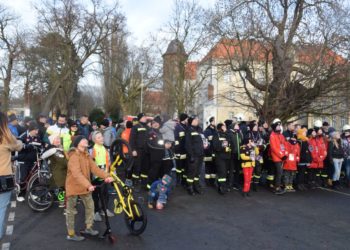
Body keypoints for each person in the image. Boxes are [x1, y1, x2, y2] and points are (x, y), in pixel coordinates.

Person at [65, 136, 113, 241]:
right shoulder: (74, 156)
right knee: (71, 211)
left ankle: (88, 228)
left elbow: (95, 169)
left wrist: (107, 176)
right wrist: (88, 185)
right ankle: (71, 234)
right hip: (73, 187)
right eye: (83, 140)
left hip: (85, 186)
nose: (86, 140)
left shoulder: (86, 155)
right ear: (78, 143)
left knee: (90, 206)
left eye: (86, 139)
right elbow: (76, 174)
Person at [0, 112, 22, 240]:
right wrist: (20, 142)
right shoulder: (6, 137)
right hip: (3, 178)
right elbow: (18, 146)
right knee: (1, 210)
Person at [90, 131, 114, 222]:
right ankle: (96, 212)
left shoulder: (104, 148)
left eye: (102, 137)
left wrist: (109, 171)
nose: (102, 138)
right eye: (99, 137)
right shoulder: (93, 149)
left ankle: (104, 209)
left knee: (105, 193)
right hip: (96, 176)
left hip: (105, 175)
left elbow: (107, 161)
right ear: (94, 140)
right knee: (96, 195)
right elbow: (91, 163)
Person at [17, 121, 41, 201]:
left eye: (37, 130)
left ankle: (33, 193)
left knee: (34, 179)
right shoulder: (23, 136)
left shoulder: (37, 137)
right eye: (35, 130)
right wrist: (27, 146)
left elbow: (41, 145)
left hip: (33, 161)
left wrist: (39, 148)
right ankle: (21, 194)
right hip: (23, 161)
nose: (37, 132)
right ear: (31, 130)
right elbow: (18, 147)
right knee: (23, 178)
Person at [146, 116, 173, 190]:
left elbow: (168, 140)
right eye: (153, 123)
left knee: (162, 173)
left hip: (163, 157)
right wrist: (164, 145)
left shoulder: (161, 132)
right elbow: (151, 144)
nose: (155, 124)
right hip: (155, 156)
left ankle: (160, 188)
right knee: (153, 173)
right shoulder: (150, 132)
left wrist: (169, 143)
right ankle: (150, 187)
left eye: (157, 123)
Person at [41, 135, 67, 207]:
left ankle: (62, 200)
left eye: (59, 139)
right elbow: (62, 161)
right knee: (62, 187)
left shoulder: (56, 148)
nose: (58, 140)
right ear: (52, 141)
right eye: (56, 139)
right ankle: (61, 201)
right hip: (55, 171)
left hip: (57, 169)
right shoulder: (54, 150)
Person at [185, 116, 205, 195]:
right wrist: (191, 155)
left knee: (198, 172)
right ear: (191, 121)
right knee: (191, 172)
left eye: (197, 119)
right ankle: (189, 187)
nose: (197, 120)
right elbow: (188, 144)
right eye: (195, 120)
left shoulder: (199, 130)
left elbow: (203, 140)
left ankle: (196, 186)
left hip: (200, 154)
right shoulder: (189, 130)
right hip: (194, 155)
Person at [269, 118, 288, 195]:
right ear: (274, 127)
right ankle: (276, 188)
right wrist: (282, 155)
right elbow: (274, 148)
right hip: (277, 157)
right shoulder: (272, 136)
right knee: (279, 172)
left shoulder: (281, 135)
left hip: (282, 156)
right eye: (277, 126)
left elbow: (285, 145)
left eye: (280, 126)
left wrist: (285, 154)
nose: (279, 127)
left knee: (280, 172)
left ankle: (278, 186)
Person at [212, 123, 231, 194]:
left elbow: (230, 141)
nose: (225, 127)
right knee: (222, 172)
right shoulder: (216, 134)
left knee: (225, 172)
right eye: (224, 126)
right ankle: (221, 187)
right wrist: (222, 147)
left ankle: (222, 185)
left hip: (227, 156)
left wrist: (226, 132)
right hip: (220, 156)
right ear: (220, 127)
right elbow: (215, 145)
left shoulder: (226, 134)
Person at [308, 123, 327, 189]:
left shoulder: (319, 140)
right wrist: (317, 158)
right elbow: (312, 150)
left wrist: (322, 157)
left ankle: (314, 182)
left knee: (315, 172)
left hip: (318, 159)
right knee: (311, 172)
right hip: (313, 160)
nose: (314, 134)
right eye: (313, 133)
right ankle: (310, 183)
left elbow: (322, 149)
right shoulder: (310, 140)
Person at [174, 113, 188, 186]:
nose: (187, 120)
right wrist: (177, 150)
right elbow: (176, 139)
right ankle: (178, 180)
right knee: (179, 166)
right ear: (184, 119)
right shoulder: (178, 127)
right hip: (179, 150)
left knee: (184, 166)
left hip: (185, 150)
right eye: (186, 119)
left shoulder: (187, 127)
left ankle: (183, 180)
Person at [203, 117, 217, 186]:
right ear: (211, 122)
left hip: (214, 151)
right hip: (208, 151)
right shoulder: (207, 131)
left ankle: (212, 181)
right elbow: (205, 142)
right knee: (208, 167)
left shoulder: (215, 130)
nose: (215, 122)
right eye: (214, 121)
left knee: (214, 167)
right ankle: (207, 181)